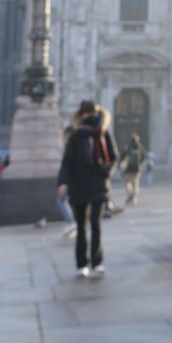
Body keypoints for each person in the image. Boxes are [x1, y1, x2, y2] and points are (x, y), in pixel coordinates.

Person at [57, 100, 118, 278]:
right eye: (85, 112)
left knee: (96, 223)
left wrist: (106, 173)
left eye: (90, 112)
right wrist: (63, 182)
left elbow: (113, 157)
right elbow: (67, 161)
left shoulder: (104, 133)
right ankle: (82, 263)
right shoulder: (76, 136)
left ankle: (97, 261)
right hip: (79, 185)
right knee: (82, 226)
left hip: (98, 185)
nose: (87, 115)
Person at [120, 133, 147, 206]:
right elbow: (144, 157)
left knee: (127, 182)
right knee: (135, 184)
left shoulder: (128, 146)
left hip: (128, 168)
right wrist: (140, 163)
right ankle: (134, 199)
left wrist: (121, 164)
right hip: (137, 168)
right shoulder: (140, 146)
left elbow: (122, 156)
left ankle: (130, 195)